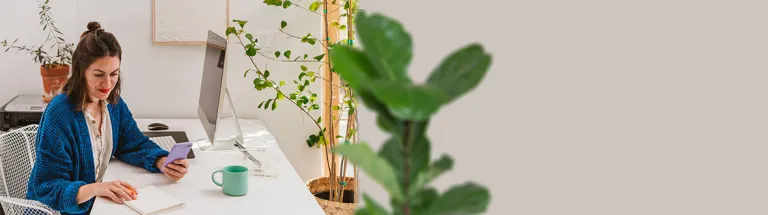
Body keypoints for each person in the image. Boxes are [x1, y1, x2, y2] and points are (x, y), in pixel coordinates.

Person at [26, 21, 189, 215]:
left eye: (114, 74)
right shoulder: (59, 113)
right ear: (80, 71)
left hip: (96, 206)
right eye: (99, 74)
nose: (108, 83)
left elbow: (133, 143)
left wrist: (162, 161)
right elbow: (48, 187)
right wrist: (96, 188)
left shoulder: (113, 104)